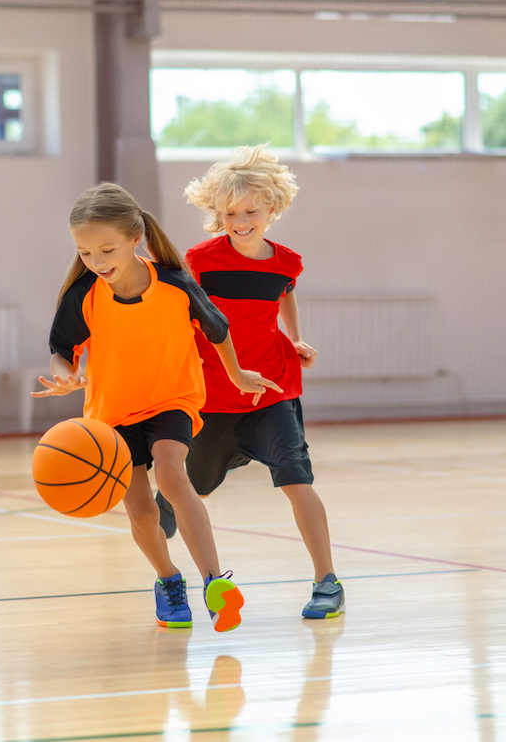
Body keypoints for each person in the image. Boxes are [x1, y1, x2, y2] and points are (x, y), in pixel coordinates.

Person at [33, 182, 280, 632]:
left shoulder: (174, 285)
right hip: (112, 415)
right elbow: (61, 348)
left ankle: (213, 582)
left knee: (171, 472)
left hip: (172, 399)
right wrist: (65, 373)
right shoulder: (84, 294)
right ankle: (168, 579)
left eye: (106, 249)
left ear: (135, 238)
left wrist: (237, 374)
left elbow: (217, 329)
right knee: (143, 513)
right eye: (85, 253)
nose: (97, 262)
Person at [156, 145, 345, 619]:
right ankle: (166, 573)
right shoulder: (199, 261)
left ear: (272, 209)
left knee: (297, 480)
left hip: (271, 390)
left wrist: (297, 339)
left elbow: (285, 296)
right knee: (184, 496)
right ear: (218, 215)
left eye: (250, 211)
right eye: (230, 213)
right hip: (213, 398)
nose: (240, 221)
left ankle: (328, 582)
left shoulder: (287, 263)